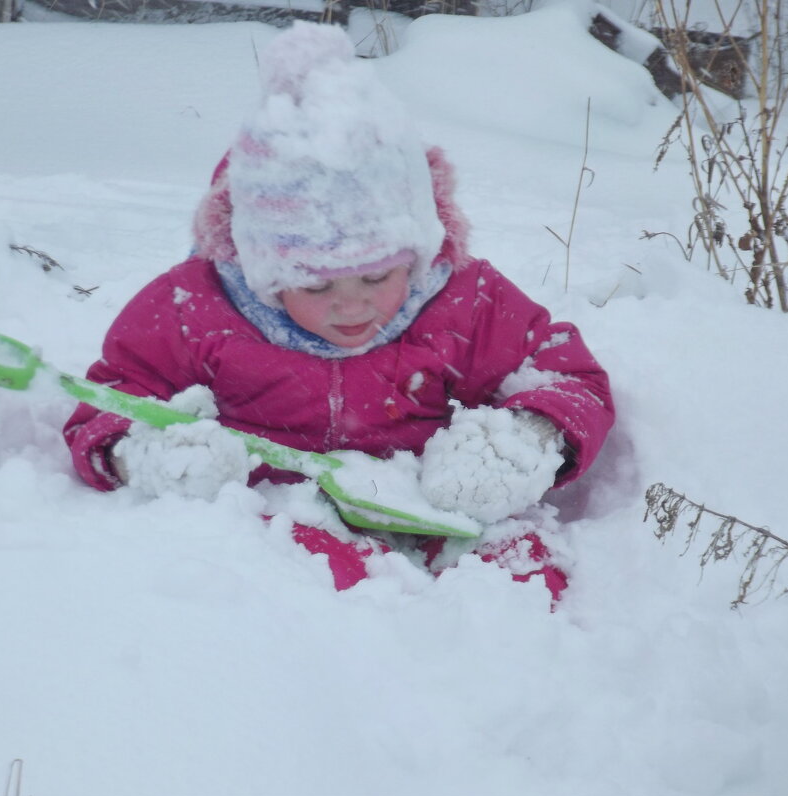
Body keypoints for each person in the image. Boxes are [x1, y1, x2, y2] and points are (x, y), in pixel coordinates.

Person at [64, 21, 614, 603]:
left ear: (420, 250)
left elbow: (565, 374)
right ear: (263, 270)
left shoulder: (465, 301)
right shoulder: (192, 309)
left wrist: (525, 438)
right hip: (283, 509)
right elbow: (111, 397)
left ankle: (491, 664)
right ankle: (343, 663)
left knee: (523, 571)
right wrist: (143, 454)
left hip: (438, 504)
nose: (351, 304)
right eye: (315, 285)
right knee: (304, 579)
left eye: (378, 275)